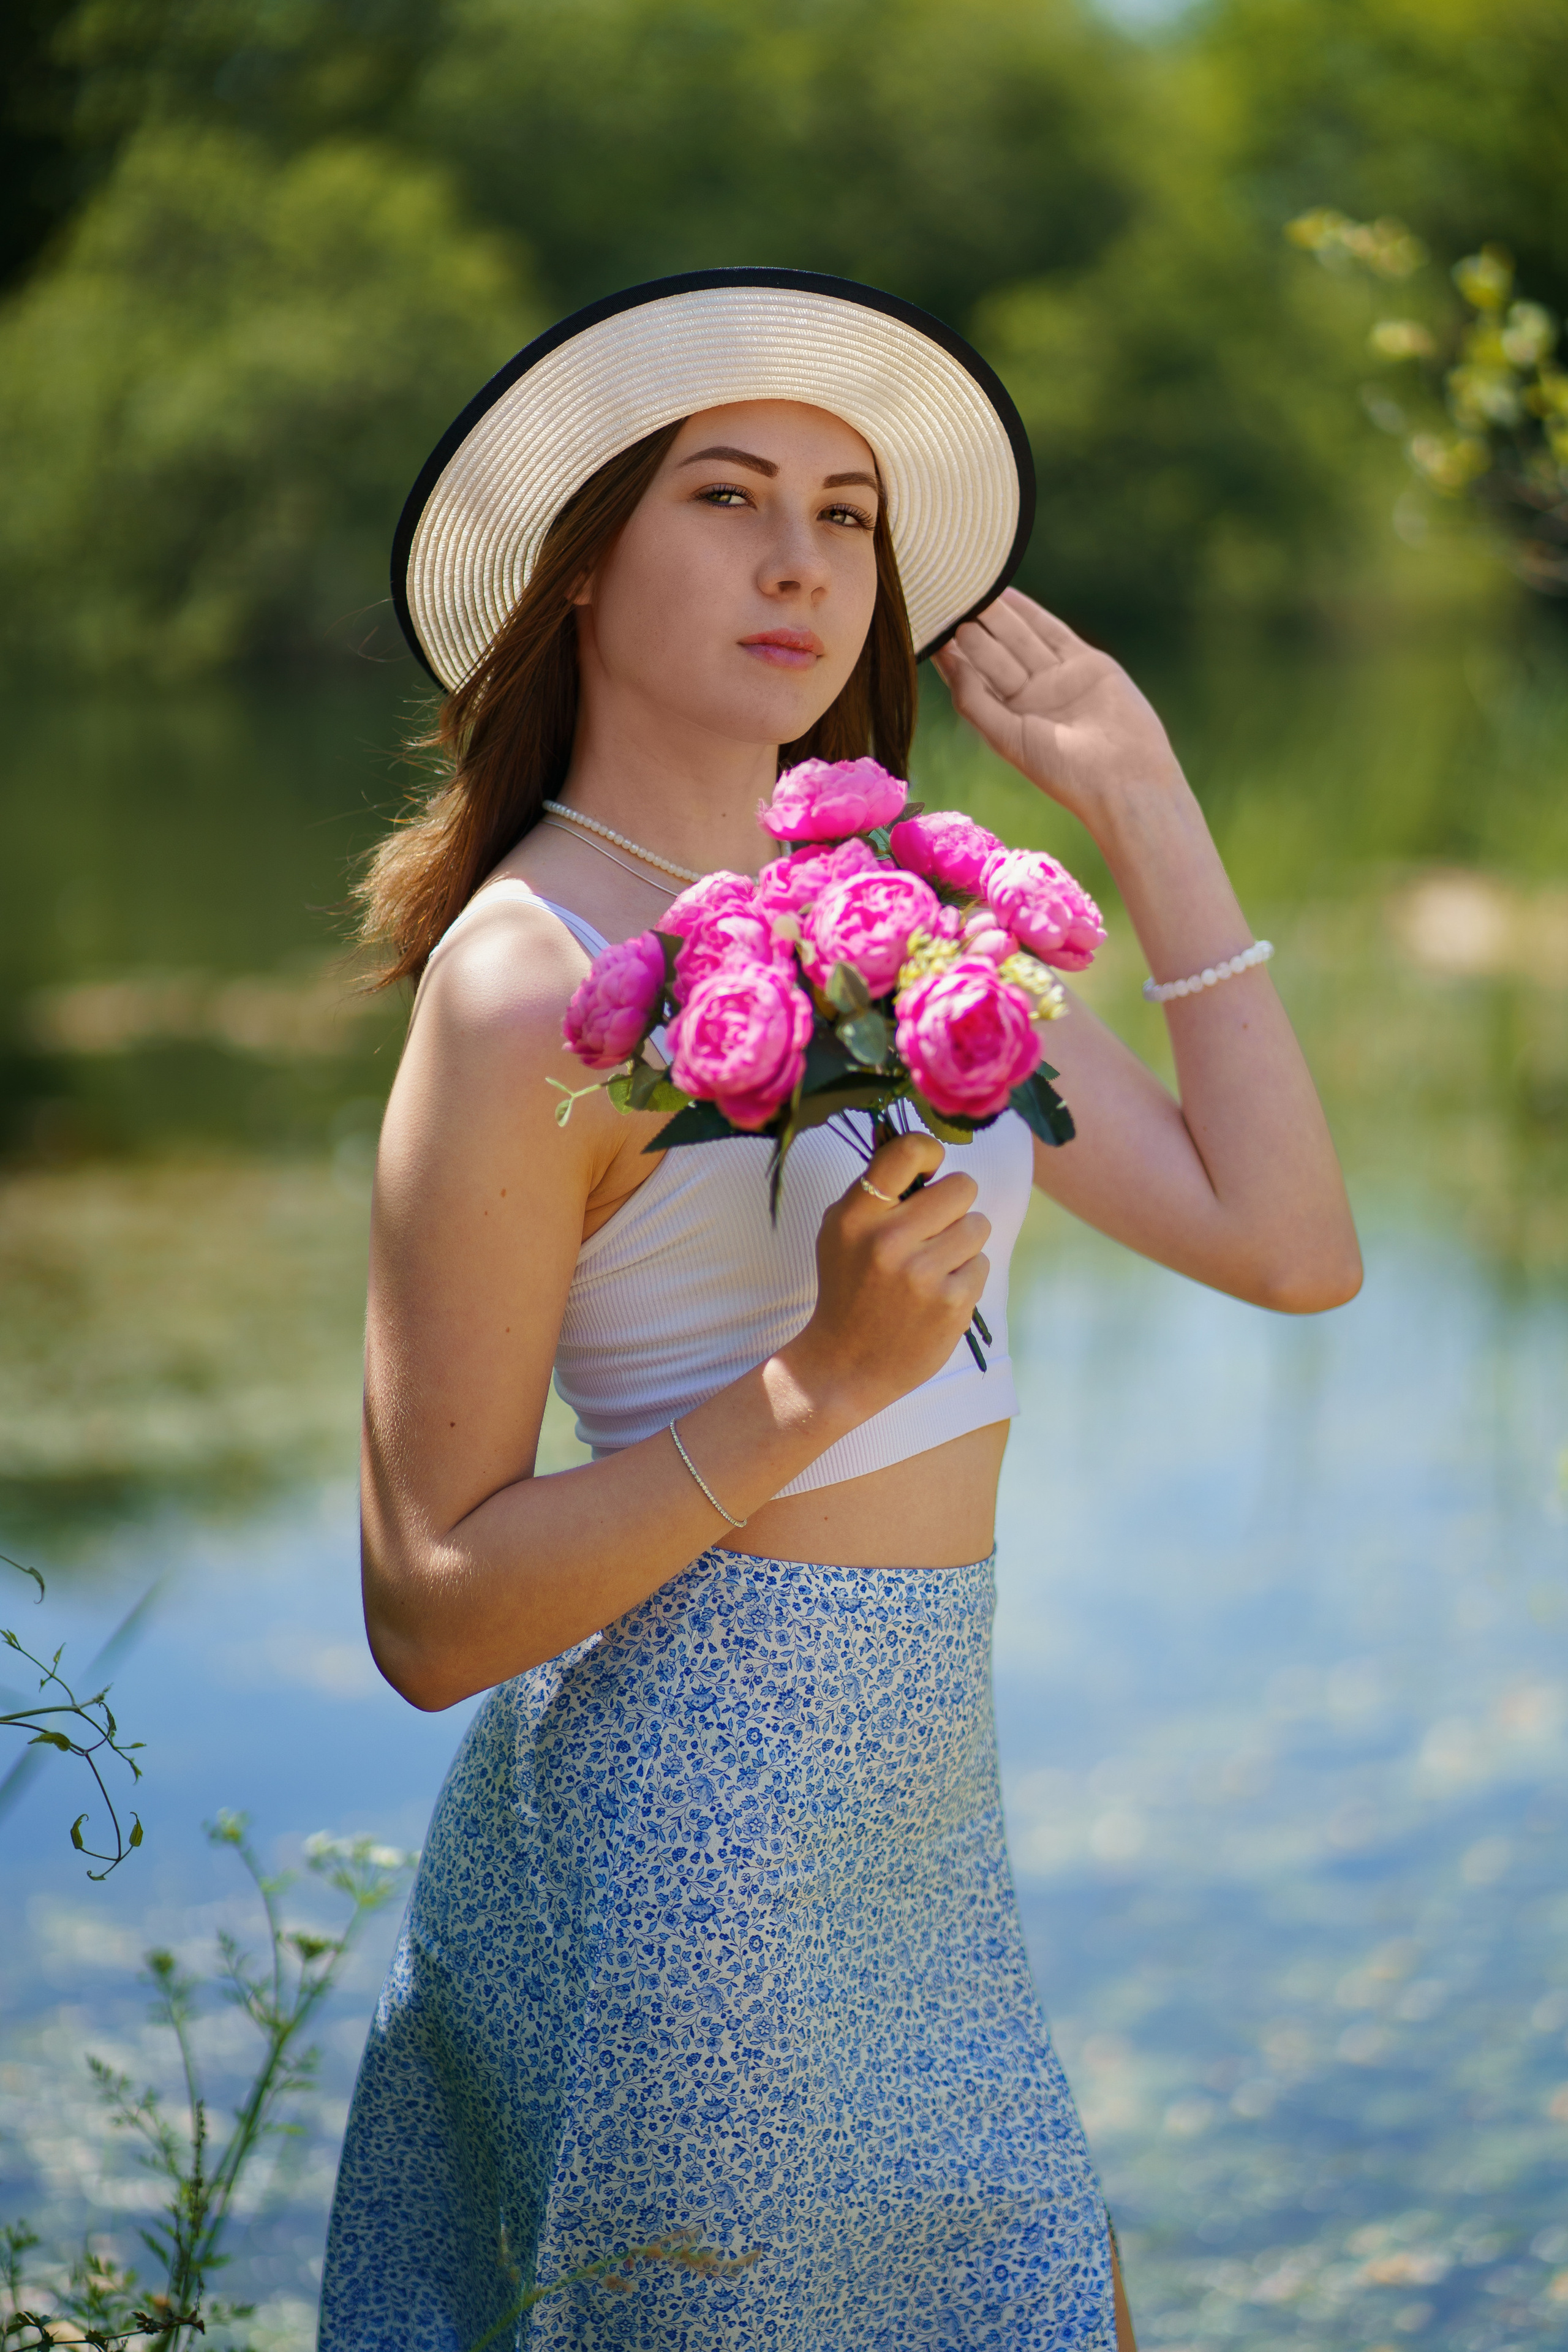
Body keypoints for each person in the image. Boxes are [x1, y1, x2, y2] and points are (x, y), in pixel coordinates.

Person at [320, 270, 1362, 2351]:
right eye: (727, 497)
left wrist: (1143, 804)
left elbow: (1289, 1245)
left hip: (922, 1818)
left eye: (847, 513)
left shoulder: (908, 925)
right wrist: (815, 1386)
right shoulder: (527, 976)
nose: (801, 558)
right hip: (693, 1848)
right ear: (590, 563)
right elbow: (429, 1608)